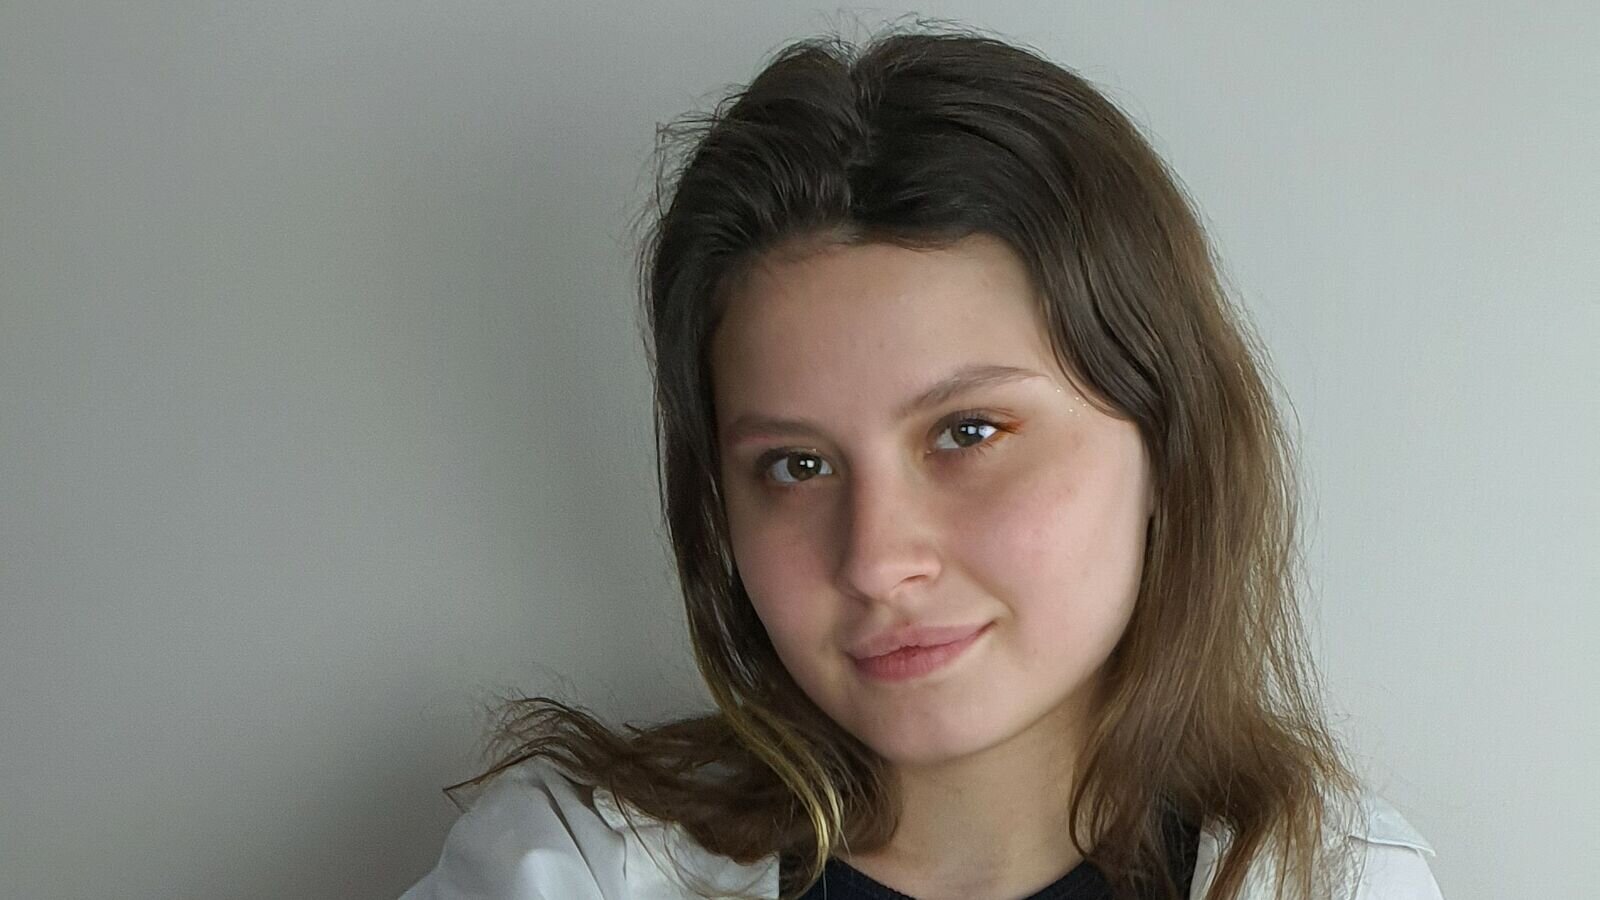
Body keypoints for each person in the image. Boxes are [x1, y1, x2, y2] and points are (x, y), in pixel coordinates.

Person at [399, 21, 1444, 900]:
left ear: (1167, 443)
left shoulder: (1343, 882)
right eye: (796, 466)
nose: (874, 561)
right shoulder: (571, 870)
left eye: (968, 433)